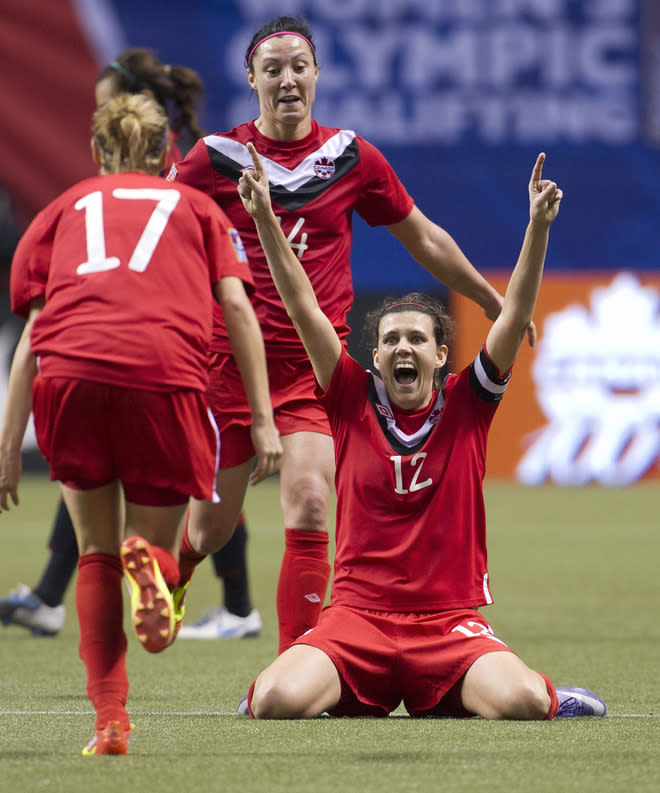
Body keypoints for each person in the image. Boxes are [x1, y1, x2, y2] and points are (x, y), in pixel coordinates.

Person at [168, 15, 523, 655]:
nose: (286, 79)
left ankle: (296, 669)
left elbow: (424, 237)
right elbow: (160, 230)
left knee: (308, 504)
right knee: (210, 528)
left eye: (298, 66)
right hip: (231, 368)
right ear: (251, 80)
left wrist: (492, 299)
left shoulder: (350, 157)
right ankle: (177, 573)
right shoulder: (215, 159)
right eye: (271, 68)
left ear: (317, 76)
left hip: (316, 370)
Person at [233, 142, 607, 720]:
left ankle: (542, 695)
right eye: (390, 340)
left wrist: (537, 229)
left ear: (439, 355)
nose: (402, 347)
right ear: (375, 355)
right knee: (275, 701)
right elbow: (302, 303)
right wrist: (263, 219)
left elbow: (511, 317)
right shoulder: (349, 397)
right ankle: (335, 682)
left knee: (527, 704)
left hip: (447, 623)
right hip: (356, 620)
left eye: (416, 339)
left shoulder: (469, 403)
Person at [0, 93, 278, 755]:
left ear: (97, 152)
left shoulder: (62, 211)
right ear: (166, 155)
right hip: (161, 375)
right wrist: (263, 419)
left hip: (70, 376)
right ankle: (152, 567)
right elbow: (239, 312)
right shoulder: (199, 208)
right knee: (149, 548)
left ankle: (111, 722)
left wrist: (9, 445)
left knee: (94, 551)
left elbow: (33, 333)